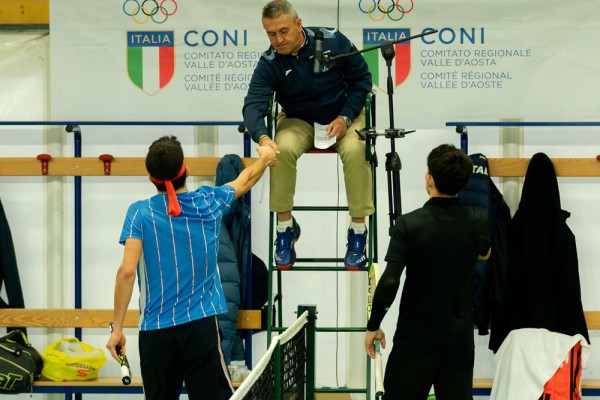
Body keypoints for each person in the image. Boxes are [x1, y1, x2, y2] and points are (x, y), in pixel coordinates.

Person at [106, 135, 276, 400]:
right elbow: (245, 180)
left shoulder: (139, 213)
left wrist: (117, 329)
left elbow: (127, 271)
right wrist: (265, 158)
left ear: (151, 178)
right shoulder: (207, 202)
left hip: (156, 333)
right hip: (200, 327)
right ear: (185, 169)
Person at [242, 0, 374, 270]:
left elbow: (362, 81)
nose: (278, 40)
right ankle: (285, 229)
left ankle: (358, 231)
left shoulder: (333, 41)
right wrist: (263, 138)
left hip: (344, 116)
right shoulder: (270, 62)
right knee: (280, 149)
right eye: (271, 34)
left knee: (356, 149)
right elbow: (253, 104)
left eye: (283, 31)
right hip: (298, 120)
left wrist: (346, 117)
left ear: (298, 24)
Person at [364, 144, 491, 400]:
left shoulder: (408, 224)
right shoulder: (478, 223)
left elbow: (390, 281)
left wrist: (373, 325)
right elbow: (484, 254)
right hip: (458, 344)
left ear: (429, 179)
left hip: (414, 342)